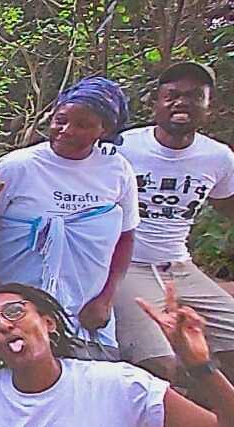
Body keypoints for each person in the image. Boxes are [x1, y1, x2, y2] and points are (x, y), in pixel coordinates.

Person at [0, 283, 234, 427]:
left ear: (49, 323)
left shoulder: (120, 384)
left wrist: (199, 364)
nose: (3, 324)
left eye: (15, 311)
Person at [0, 76, 137, 356]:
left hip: (86, 315)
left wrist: (106, 299)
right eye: (61, 120)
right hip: (16, 314)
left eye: (82, 125)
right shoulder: (17, 167)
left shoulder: (117, 170)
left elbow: (125, 238)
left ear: (104, 129)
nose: (66, 130)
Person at [114, 61, 234, 381]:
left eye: (194, 96)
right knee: (160, 363)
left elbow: (227, 204)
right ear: (156, 103)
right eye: (172, 96)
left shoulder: (218, 157)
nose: (182, 102)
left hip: (180, 267)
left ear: (208, 107)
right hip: (129, 265)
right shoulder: (123, 147)